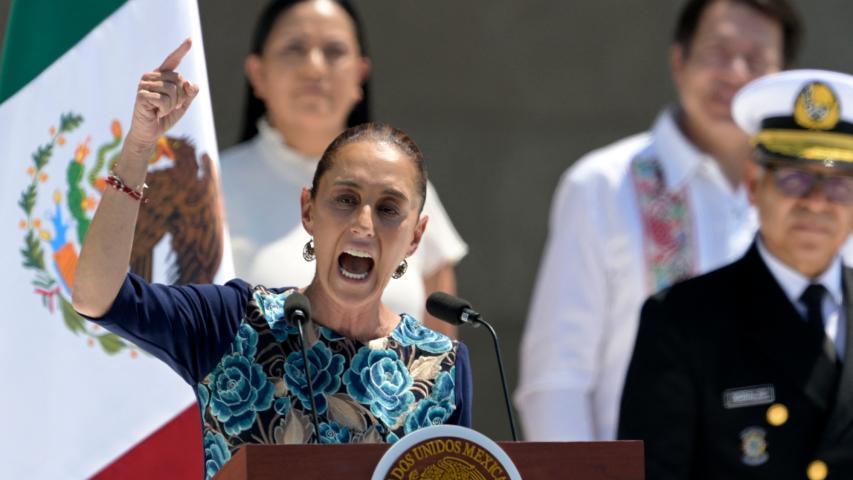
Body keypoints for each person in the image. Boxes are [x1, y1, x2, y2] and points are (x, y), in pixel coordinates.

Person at [71, 40, 472, 479]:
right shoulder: (232, 321)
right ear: (308, 211)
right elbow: (98, 296)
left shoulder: (441, 365)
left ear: (415, 237)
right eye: (345, 199)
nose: (363, 224)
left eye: (388, 209)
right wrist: (139, 147)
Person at [514, 0, 802, 441]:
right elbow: (557, 381)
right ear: (678, 60)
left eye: (757, 59)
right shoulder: (603, 186)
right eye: (718, 51)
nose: (737, 73)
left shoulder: (816, 199)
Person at [619, 69, 853, 480]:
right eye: (794, 178)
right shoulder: (681, 320)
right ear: (752, 183)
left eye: (839, 186)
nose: (817, 203)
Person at [219, 0, 467, 337]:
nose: (315, 68)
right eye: (294, 48)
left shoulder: (407, 187)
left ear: (360, 74)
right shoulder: (210, 187)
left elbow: (442, 358)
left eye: (334, 51)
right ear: (257, 73)